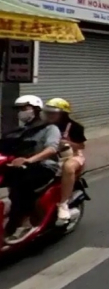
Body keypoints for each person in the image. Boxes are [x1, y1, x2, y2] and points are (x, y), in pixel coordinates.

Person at [2, 95, 61, 243]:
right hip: (19, 167)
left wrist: (29, 160)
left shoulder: (50, 128)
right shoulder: (19, 131)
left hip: (44, 166)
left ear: (35, 110)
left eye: (24, 109)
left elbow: (51, 150)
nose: (21, 112)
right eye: (19, 110)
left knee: (20, 186)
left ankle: (24, 223)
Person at [42, 98, 86, 222]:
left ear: (63, 114)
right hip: (49, 158)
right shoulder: (42, 126)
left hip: (72, 156)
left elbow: (81, 146)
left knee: (68, 167)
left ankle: (63, 204)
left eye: (53, 113)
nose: (49, 115)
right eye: (48, 112)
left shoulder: (75, 127)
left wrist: (68, 143)